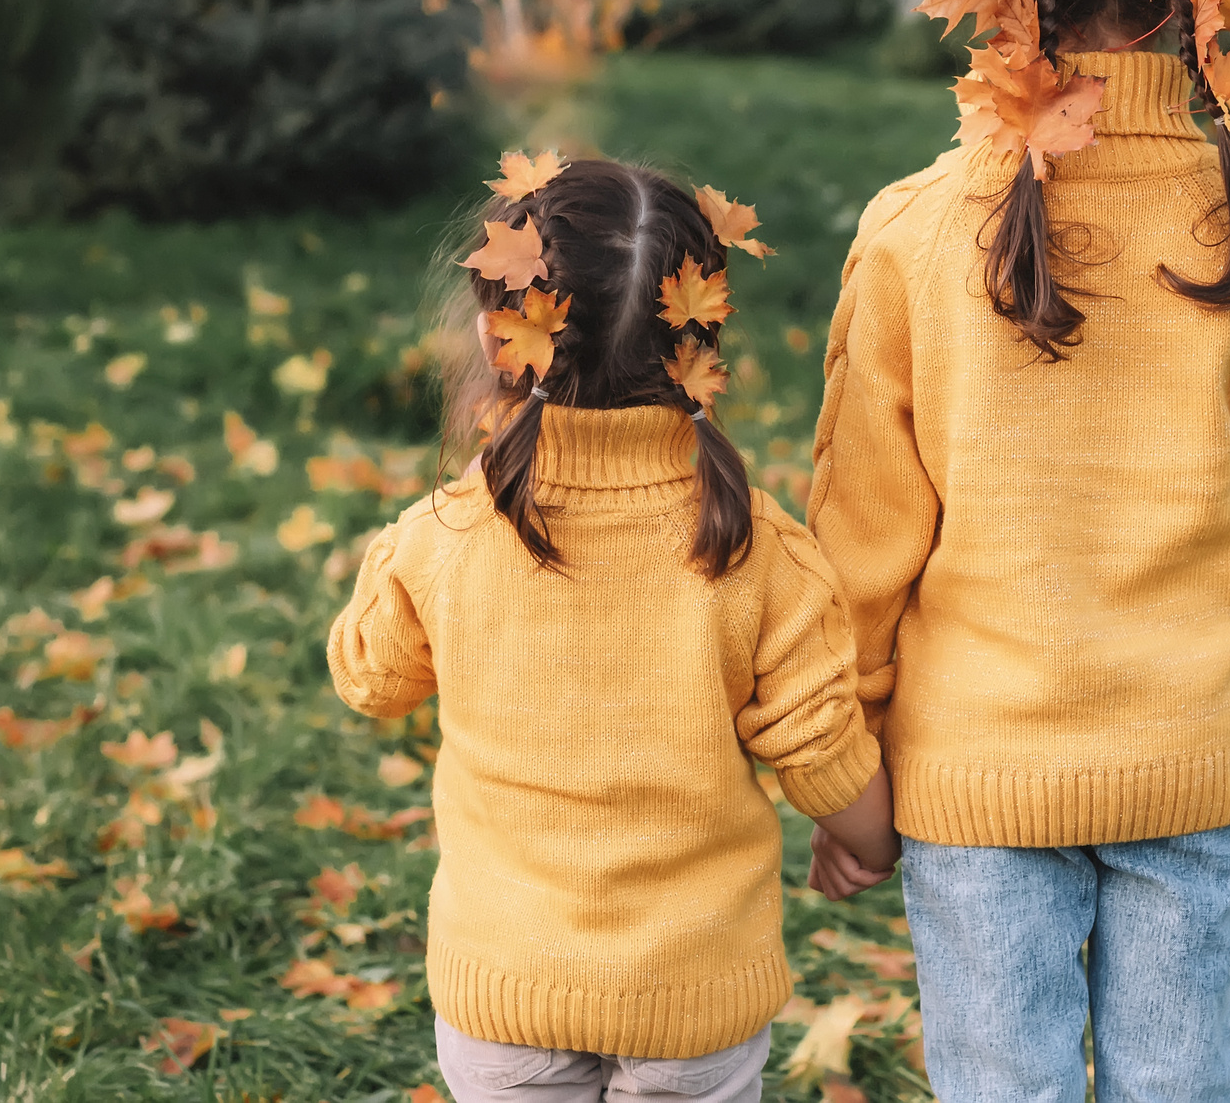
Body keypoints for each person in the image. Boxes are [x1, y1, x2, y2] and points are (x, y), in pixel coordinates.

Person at [805, 0, 1230, 1102]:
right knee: (1182, 1078)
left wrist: (853, 757)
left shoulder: (916, 233)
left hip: (973, 775)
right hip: (1195, 760)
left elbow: (864, 535)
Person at [329, 157, 898, 1103]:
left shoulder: (446, 536)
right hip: (694, 994)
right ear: (704, 342)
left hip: (506, 992)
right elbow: (822, 744)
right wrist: (869, 842)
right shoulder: (757, 547)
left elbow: (369, 676)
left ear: (492, 334)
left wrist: (414, 533)